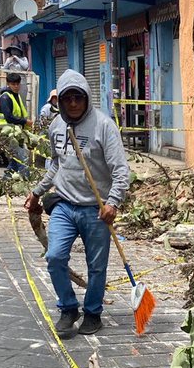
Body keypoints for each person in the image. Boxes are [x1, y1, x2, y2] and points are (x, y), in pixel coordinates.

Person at [24, 70, 130, 338]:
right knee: (55, 256)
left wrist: (113, 203)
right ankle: (68, 308)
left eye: (78, 98)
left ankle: (93, 313)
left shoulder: (104, 126)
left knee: (97, 266)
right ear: (60, 101)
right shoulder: (56, 127)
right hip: (65, 205)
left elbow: (121, 172)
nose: (73, 103)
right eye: (68, 98)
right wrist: (37, 192)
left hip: (96, 209)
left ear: (86, 98)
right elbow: (56, 165)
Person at [0, 72, 29, 176]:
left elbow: (20, 113)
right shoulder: (5, 98)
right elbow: (9, 117)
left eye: (17, 84)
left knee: (15, 161)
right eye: (13, 84)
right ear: (8, 84)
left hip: (17, 133)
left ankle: (6, 180)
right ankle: (27, 181)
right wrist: (24, 121)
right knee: (22, 159)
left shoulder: (16, 96)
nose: (16, 86)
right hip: (9, 134)